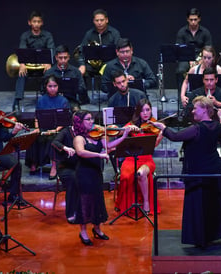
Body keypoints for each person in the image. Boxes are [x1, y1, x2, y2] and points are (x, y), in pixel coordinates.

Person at [150, 96, 221, 247]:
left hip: (198, 173)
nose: (192, 111)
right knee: (217, 204)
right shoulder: (216, 126)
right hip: (214, 171)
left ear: (205, 110)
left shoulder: (196, 129)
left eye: (195, 108)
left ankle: (201, 238)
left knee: (199, 205)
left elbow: (175, 136)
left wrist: (163, 128)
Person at [72, 110, 131, 246]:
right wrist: (99, 155)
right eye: (88, 119)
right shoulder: (79, 138)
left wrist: (124, 136)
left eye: (92, 119)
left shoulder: (99, 135)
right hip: (83, 174)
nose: (91, 122)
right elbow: (80, 152)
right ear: (80, 122)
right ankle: (83, 232)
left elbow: (108, 146)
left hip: (96, 173)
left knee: (97, 200)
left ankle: (97, 229)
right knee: (84, 202)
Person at [114, 98, 163, 216]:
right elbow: (117, 132)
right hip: (130, 159)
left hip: (147, 159)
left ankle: (146, 202)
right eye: (142, 110)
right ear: (138, 112)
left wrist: (162, 132)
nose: (145, 113)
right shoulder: (131, 124)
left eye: (148, 110)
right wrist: (127, 130)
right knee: (125, 176)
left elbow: (154, 145)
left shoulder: (154, 125)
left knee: (141, 173)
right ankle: (126, 204)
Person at [185, 67, 221, 172]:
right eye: (206, 80)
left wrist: (218, 103)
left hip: (217, 128)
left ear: (216, 80)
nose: (209, 83)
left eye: (212, 80)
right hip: (200, 128)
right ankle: (187, 169)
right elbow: (187, 111)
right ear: (203, 80)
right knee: (188, 137)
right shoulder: (196, 93)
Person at [26, 75, 70, 179]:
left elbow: (64, 121)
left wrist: (54, 130)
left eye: (55, 86)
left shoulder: (63, 101)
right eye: (50, 86)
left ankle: (54, 167)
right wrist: (37, 128)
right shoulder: (41, 100)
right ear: (46, 87)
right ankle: (33, 164)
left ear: (58, 87)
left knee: (52, 140)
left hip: (59, 129)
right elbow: (37, 117)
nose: (52, 88)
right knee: (32, 137)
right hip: (43, 128)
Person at [13, 10, 55, 111]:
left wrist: (48, 62)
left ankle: (47, 99)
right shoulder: (25, 36)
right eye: (34, 21)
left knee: (51, 73)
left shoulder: (48, 35)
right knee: (21, 74)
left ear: (42, 23)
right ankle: (17, 102)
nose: (36, 24)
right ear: (29, 22)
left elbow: (52, 51)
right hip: (29, 67)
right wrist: (22, 64)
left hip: (43, 67)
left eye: (38, 22)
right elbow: (22, 52)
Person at [175, 8, 212, 94]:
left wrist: (201, 60)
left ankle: (205, 95)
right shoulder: (182, 32)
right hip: (185, 58)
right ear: (187, 19)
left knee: (208, 70)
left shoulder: (205, 32)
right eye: (191, 20)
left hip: (202, 58)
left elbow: (208, 49)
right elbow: (179, 49)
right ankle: (181, 98)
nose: (193, 22)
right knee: (180, 71)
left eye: (195, 19)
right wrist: (189, 60)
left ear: (199, 19)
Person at [77, 9, 121, 79]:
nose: (99, 23)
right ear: (93, 21)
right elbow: (81, 51)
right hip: (92, 67)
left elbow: (119, 51)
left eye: (102, 20)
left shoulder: (114, 33)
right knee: (81, 72)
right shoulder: (89, 34)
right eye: (97, 20)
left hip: (109, 65)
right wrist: (82, 65)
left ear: (107, 20)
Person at [51, 120, 80, 224]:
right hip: (65, 166)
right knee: (73, 179)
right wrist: (65, 148)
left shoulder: (86, 132)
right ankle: (71, 212)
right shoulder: (66, 132)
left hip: (81, 165)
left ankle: (90, 210)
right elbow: (55, 142)